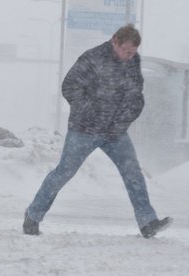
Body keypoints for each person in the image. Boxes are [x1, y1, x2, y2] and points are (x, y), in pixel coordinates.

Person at [23, 24, 173, 238]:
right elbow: (70, 86)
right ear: (115, 41)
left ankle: (147, 222)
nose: (129, 56)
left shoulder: (133, 61)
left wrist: (124, 119)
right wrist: (92, 113)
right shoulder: (92, 58)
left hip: (115, 132)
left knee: (133, 173)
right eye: (126, 51)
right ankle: (33, 215)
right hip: (84, 130)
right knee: (64, 173)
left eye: (133, 53)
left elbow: (135, 94)